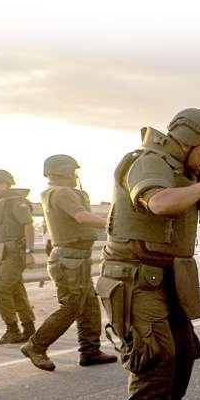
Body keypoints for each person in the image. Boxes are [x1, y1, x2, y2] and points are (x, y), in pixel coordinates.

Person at [98, 108, 200, 400]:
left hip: (169, 275)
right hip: (136, 276)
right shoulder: (147, 162)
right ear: (188, 142)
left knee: (183, 351)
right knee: (154, 352)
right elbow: (158, 202)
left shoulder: (187, 171)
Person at [21, 155, 117, 371]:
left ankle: (90, 351)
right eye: (73, 171)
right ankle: (35, 345)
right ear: (64, 172)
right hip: (69, 258)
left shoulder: (55, 193)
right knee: (73, 306)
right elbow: (82, 217)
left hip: (74, 258)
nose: (75, 176)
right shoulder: (62, 192)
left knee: (89, 304)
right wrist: (116, 224)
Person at [0, 169, 36, 345]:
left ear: (7, 183)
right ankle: (29, 329)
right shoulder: (0, 202)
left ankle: (12, 330)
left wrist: (29, 252)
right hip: (4, 254)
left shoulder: (16, 202)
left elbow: (28, 226)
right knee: (16, 290)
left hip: (15, 253)